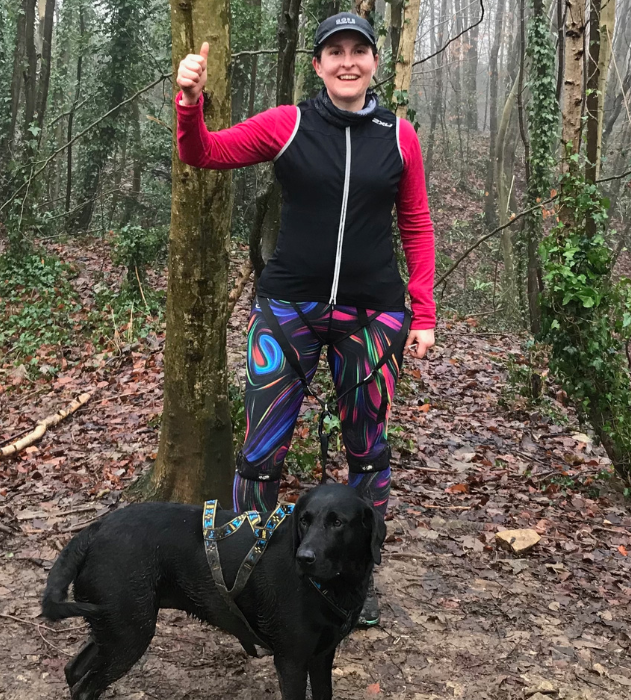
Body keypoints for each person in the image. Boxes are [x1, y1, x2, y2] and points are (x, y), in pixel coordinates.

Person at [174, 11, 435, 628]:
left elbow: (417, 223)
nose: (348, 62)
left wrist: (421, 311)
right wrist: (190, 102)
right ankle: (244, 576)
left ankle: (357, 580)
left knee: (367, 452)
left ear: (375, 63)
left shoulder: (399, 137)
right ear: (317, 66)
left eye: (359, 51)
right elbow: (204, 153)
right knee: (260, 453)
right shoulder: (288, 124)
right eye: (334, 52)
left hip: (372, 317)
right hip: (288, 309)